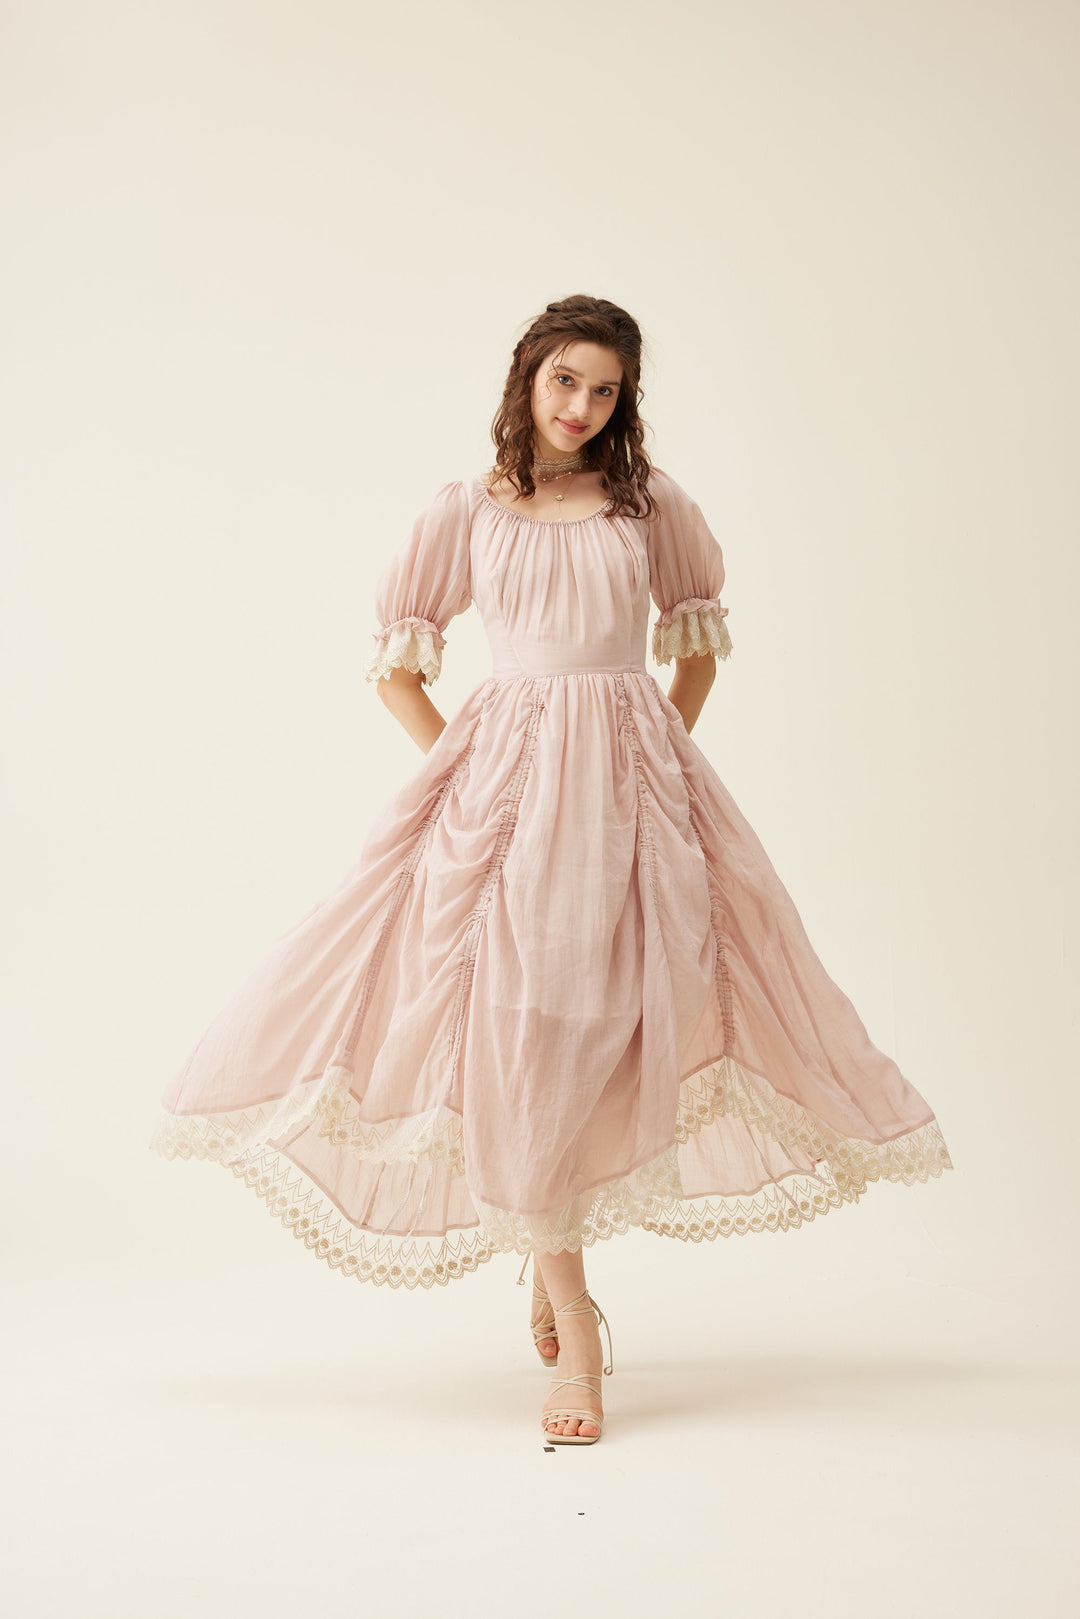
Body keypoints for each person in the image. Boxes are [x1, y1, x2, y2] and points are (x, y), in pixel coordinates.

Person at [151, 293, 954, 1446]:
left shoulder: (649, 504)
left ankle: (545, 1244)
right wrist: (470, 770)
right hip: (505, 800)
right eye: (565, 380)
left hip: (632, 791)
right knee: (521, 1028)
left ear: (625, 400)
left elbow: (694, 639)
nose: (581, 406)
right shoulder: (467, 509)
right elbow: (397, 665)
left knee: (612, 1021)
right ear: (527, 377)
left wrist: (655, 756)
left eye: (605, 390)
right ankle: (577, 1320)